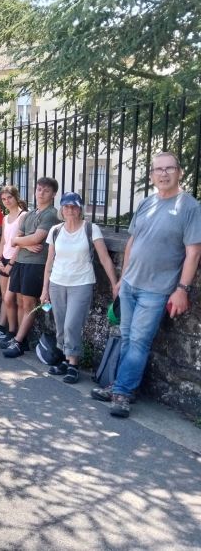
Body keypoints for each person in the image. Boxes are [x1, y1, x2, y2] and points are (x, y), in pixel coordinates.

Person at [92, 153, 201, 418]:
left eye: (169, 169)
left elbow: (194, 252)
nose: (164, 174)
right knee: (128, 337)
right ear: (152, 175)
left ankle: (122, 392)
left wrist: (182, 289)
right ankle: (122, 385)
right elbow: (131, 243)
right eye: (158, 170)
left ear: (180, 172)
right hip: (130, 284)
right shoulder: (146, 203)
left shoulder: (189, 207)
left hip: (157, 288)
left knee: (139, 341)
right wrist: (121, 279)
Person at [41, 193, 118, 384]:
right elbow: (49, 261)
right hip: (57, 283)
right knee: (60, 325)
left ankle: (73, 364)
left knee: (71, 325)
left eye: (73, 207)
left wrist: (115, 283)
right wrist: (44, 289)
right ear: (61, 209)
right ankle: (65, 361)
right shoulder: (55, 230)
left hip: (81, 283)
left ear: (80, 208)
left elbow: (105, 258)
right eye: (66, 207)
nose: (70, 210)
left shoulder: (91, 229)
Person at [2, 177, 60, 358]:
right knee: (19, 302)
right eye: (39, 189)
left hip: (36, 265)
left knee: (28, 304)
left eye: (46, 191)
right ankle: (21, 339)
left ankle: (18, 341)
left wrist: (23, 241)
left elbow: (37, 238)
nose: (41, 193)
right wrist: (25, 243)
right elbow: (14, 240)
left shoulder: (51, 214)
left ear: (53, 194)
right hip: (21, 261)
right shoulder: (29, 214)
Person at [0, 186, 28, 340]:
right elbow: (3, 241)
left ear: (16, 197)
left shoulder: (23, 216)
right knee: (5, 297)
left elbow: (21, 242)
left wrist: (11, 262)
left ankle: (14, 332)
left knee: (14, 299)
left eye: (9, 197)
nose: (7, 201)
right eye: (3, 199)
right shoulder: (5, 218)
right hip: (4, 259)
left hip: (16, 261)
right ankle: (3, 328)